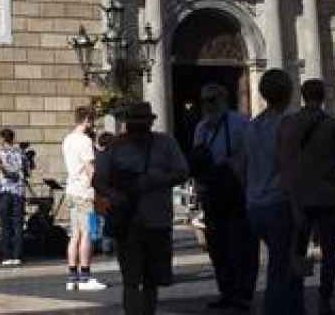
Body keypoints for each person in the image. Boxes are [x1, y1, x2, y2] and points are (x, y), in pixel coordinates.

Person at [99, 102, 189, 315]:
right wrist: (115, 195)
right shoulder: (115, 147)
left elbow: (183, 171)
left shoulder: (166, 143)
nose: (137, 129)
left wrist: (156, 180)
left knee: (152, 279)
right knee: (131, 278)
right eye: (134, 124)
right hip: (127, 220)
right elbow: (99, 180)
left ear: (150, 123)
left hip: (157, 219)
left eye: (141, 124)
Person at [240, 69, 300, 315]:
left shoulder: (251, 127)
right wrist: (298, 208)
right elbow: (289, 169)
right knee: (283, 268)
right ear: (288, 92)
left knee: (281, 266)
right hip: (279, 203)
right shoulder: (287, 124)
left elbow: (240, 167)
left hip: (255, 205)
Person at [192, 82, 255, 310]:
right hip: (212, 193)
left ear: (224, 99)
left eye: (212, 100)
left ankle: (243, 292)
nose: (208, 105)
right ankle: (226, 291)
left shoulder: (240, 123)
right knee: (217, 246)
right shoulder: (201, 128)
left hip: (237, 191)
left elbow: (249, 157)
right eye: (204, 101)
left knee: (241, 244)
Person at [279, 78, 335, 311]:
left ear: (303, 95)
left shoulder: (290, 123)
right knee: (329, 251)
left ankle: (296, 296)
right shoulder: (332, 124)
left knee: (297, 249)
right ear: (323, 96)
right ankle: (325, 298)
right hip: (327, 195)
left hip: (299, 197)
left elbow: (284, 161)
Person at [62, 106, 107, 291]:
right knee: (87, 233)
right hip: (84, 191)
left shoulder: (67, 139)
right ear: (87, 120)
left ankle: (72, 277)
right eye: (92, 120)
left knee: (75, 235)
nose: (93, 124)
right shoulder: (85, 141)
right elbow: (90, 167)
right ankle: (85, 277)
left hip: (71, 190)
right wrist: (100, 186)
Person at [0, 128, 28, 266]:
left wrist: (3, 168)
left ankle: (6, 255)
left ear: (2, 138)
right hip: (19, 190)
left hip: (6, 190)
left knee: (5, 223)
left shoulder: (0, 153)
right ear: (13, 138)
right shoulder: (21, 153)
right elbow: (28, 169)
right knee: (18, 224)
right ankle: (17, 255)